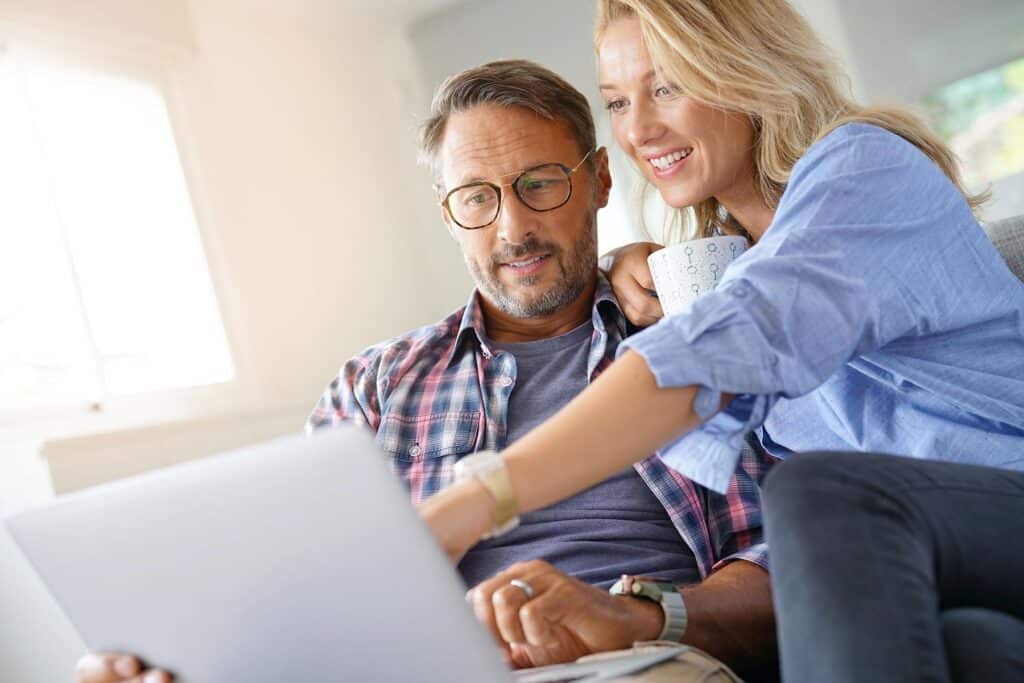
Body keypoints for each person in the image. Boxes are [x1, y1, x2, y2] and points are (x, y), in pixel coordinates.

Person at [74, 60, 779, 683]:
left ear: (597, 181)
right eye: (476, 197)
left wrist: (632, 614)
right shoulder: (375, 386)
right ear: (448, 214)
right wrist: (168, 658)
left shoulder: (683, 336)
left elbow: (782, 575)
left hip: (634, 663)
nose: (512, 228)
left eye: (539, 183)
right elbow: (306, 586)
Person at [419, 1, 1024, 682]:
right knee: (974, 649)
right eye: (618, 101)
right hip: (950, 570)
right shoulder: (715, 267)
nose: (640, 129)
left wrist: (475, 501)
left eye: (666, 87)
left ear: (745, 71)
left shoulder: (865, 170)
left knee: (818, 493)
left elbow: (732, 338)